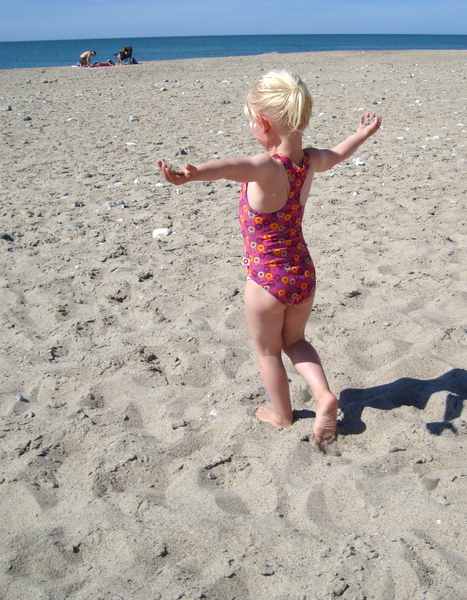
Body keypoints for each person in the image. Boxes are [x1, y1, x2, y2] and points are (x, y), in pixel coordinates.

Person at [157, 70, 382, 448]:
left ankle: (282, 415)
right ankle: (323, 394)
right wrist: (362, 133)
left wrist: (190, 177)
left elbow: (230, 167)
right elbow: (340, 153)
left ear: (262, 123)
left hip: (266, 280)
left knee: (267, 351)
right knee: (296, 341)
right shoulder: (311, 160)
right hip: (303, 273)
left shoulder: (266, 167)